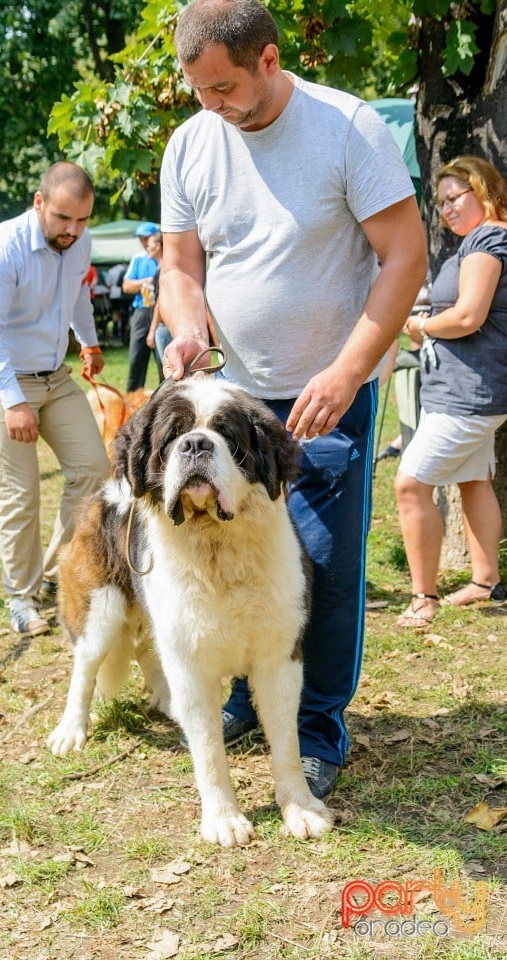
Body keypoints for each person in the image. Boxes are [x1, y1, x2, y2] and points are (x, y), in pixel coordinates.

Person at [159, 0, 427, 800]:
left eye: (225, 88)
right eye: (198, 91)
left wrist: (348, 371)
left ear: (270, 60)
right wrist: (183, 324)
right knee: (231, 553)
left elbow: (406, 257)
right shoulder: (191, 142)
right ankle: (248, 697)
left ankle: (317, 732)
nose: (213, 106)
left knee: (320, 565)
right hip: (231, 399)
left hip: (328, 392)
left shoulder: (346, 128)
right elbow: (180, 265)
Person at [0, 161, 110, 636]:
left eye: (83, 220)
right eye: (64, 219)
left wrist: (88, 341)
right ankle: (20, 596)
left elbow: (79, 297)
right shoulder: (2, 248)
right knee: (19, 491)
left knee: (94, 469)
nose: (73, 231)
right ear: (39, 202)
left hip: (54, 376)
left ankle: (53, 572)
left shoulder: (80, 241)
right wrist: (12, 401)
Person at [395, 156, 507, 628]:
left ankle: (424, 596)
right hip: (470, 390)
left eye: (454, 198)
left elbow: (468, 316)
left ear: (482, 190)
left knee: (409, 484)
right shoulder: (482, 240)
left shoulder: (488, 239)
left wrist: (420, 324)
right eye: (440, 203)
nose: (446, 209)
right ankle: (485, 581)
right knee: (473, 480)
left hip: (469, 395)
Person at [122, 222, 161, 390]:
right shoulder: (138, 258)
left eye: (147, 239)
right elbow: (126, 286)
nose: (144, 243)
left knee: (163, 359)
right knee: (136, 359)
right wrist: (146, 282)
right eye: (141, 239)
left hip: (161, 313)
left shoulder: (165, 258)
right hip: (141, 311)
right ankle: (132, 396)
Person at [145, 232, 172, 375]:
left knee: (169, 374)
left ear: (158, 246)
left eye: (149, 245)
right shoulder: (163, 268)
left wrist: (152, 330)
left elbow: (161, 302)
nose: (146, 248)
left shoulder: (164, 269)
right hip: (166, 326)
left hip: (164, 327)